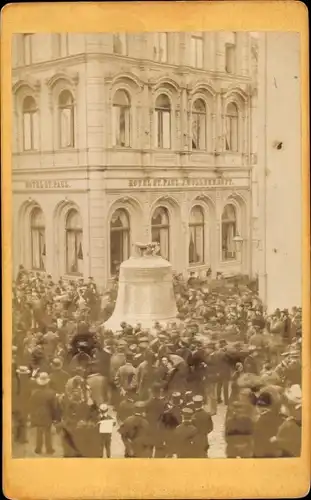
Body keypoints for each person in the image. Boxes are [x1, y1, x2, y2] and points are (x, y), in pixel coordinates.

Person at [29, 372, 58, 455]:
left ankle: (38, 448)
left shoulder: (34, 392)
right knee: (47, 432)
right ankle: (49, 449)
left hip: (37, 414)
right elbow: (54, 407)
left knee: (39, 431)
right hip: (47, 414)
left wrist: (32, 415)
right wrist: (55, 417)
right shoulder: (51, 393)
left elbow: (31, 405)